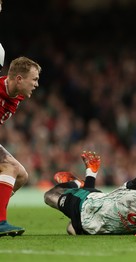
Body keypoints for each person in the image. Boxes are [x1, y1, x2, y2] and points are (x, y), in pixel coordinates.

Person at [0, 56, 41, 237]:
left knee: (22, 176)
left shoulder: (17, 95)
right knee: (11, 168)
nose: (36, 84)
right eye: (34, 79)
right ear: (18, 79)